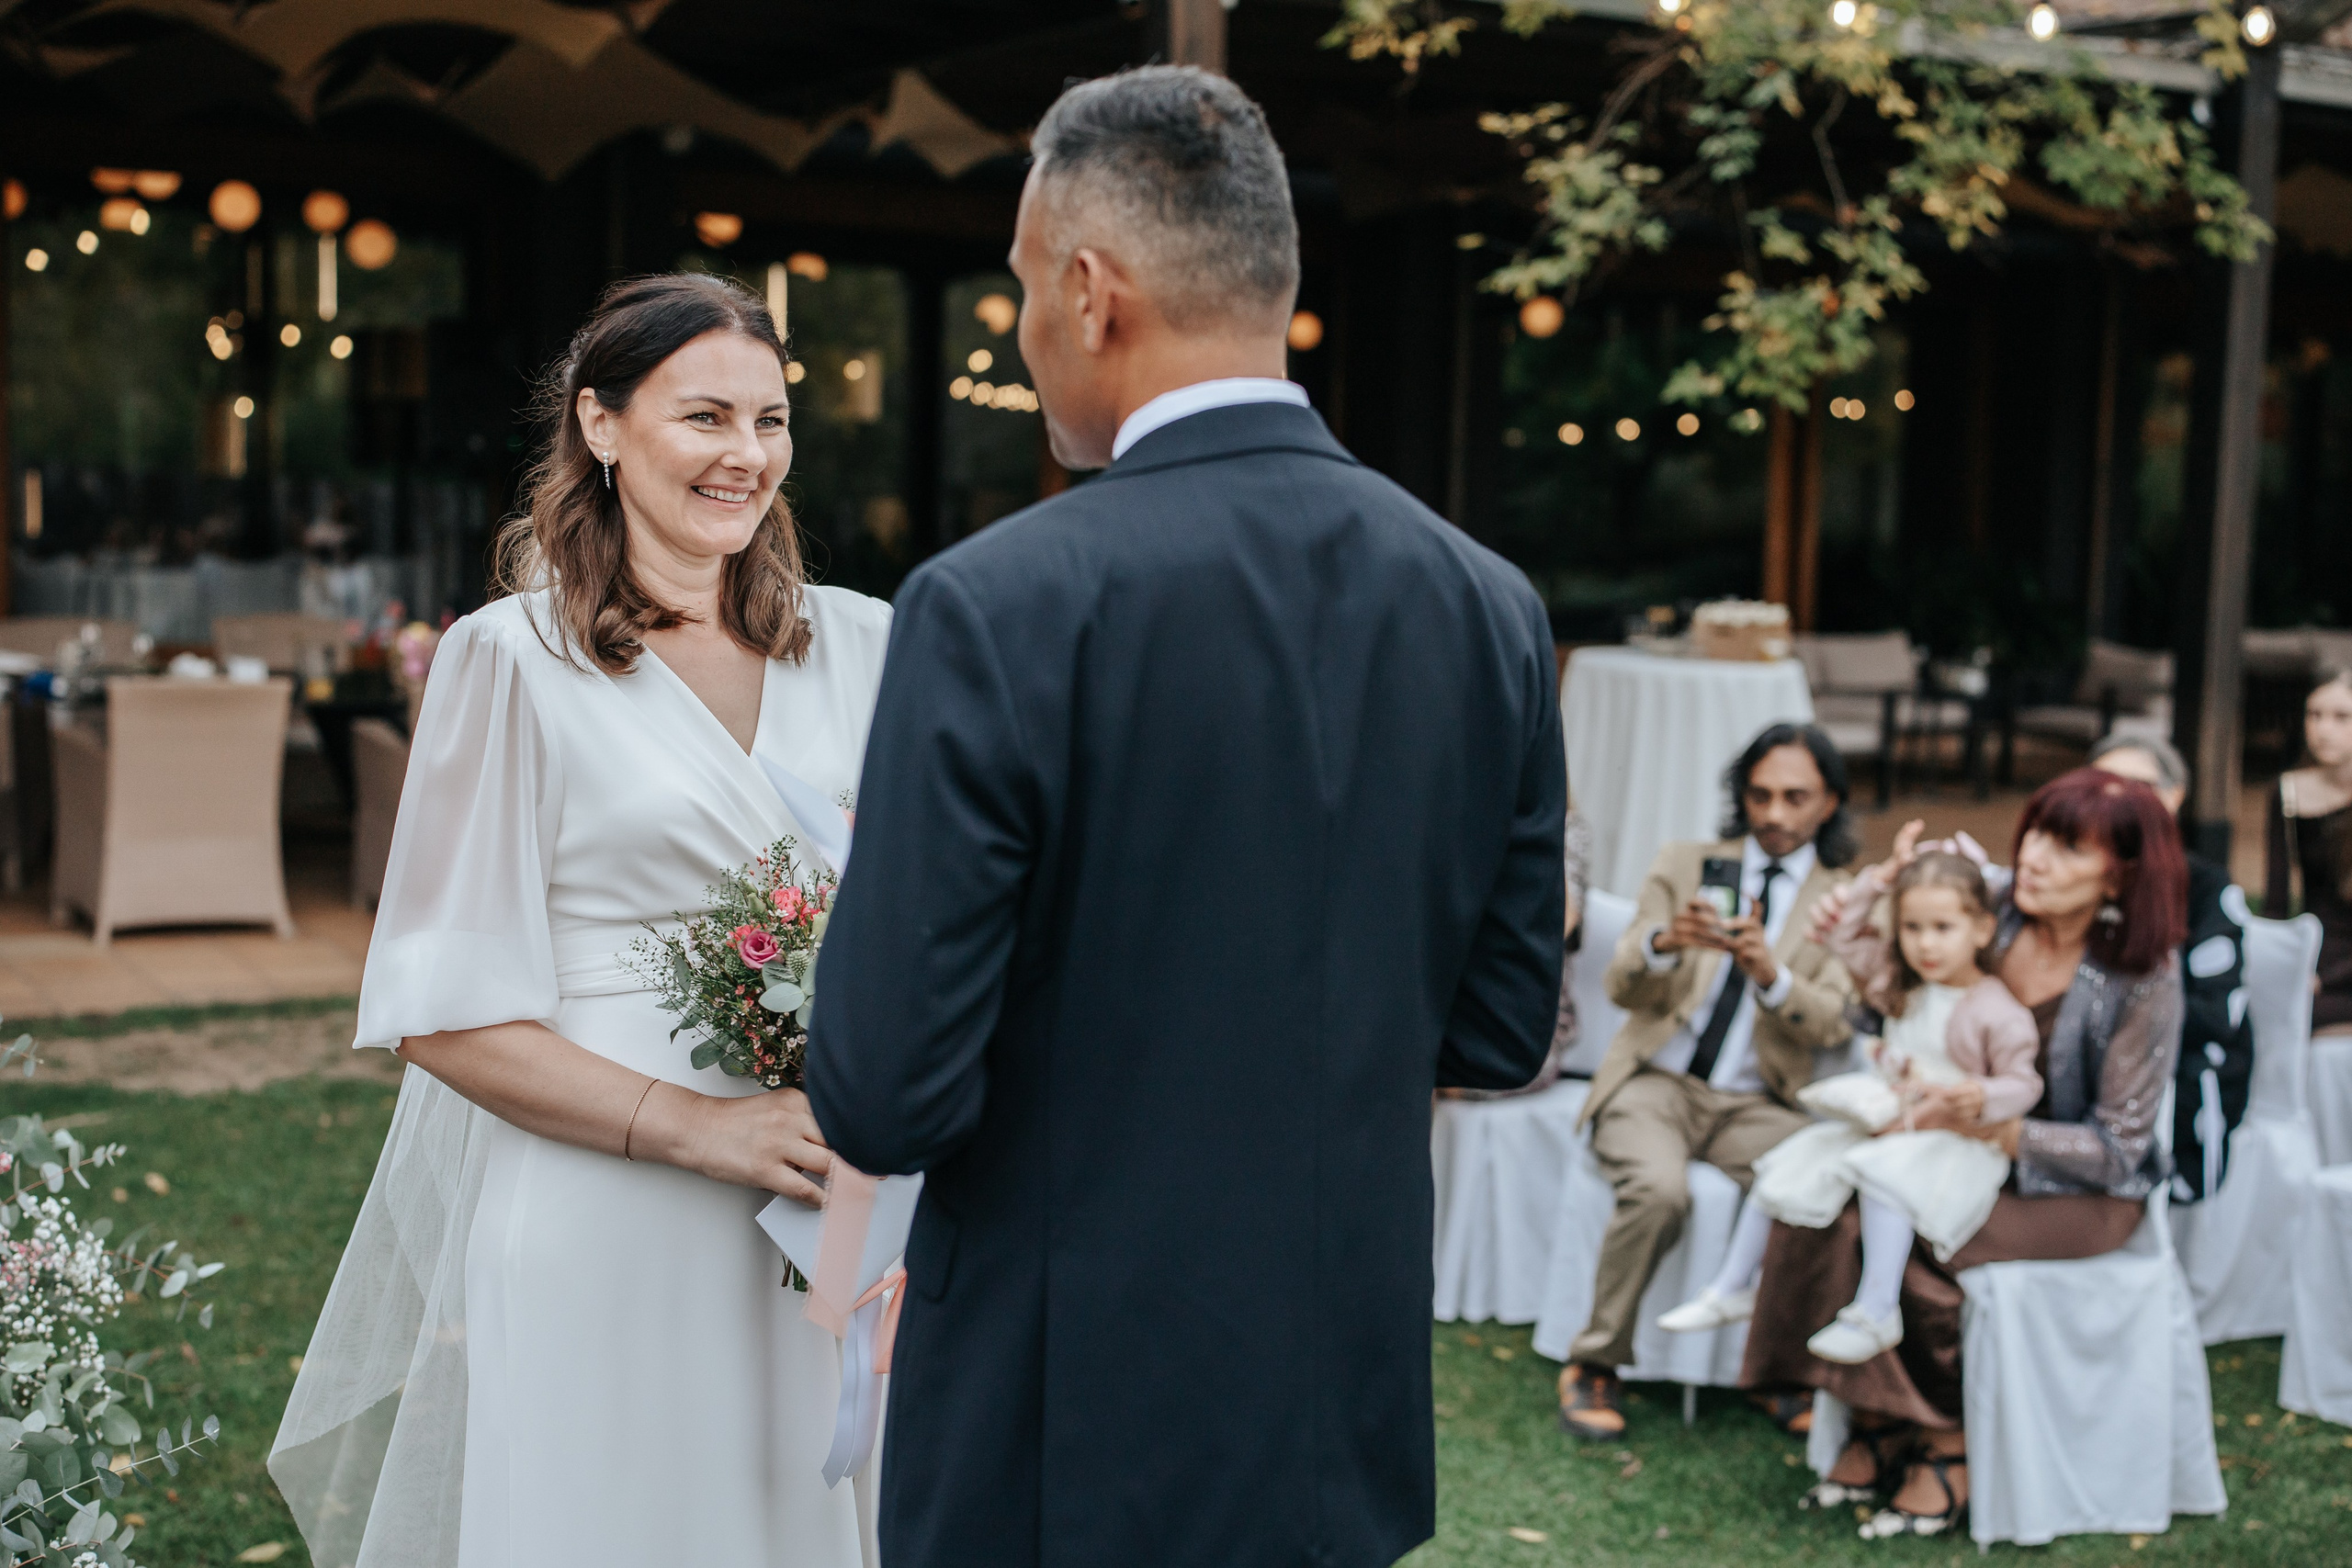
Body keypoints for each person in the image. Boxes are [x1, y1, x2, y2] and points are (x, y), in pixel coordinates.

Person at [802, 66, 1566, 1568]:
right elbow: (1497, 1029)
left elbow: (885, 1093)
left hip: (1059, 1426)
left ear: (1091, 292)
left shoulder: (996, 602)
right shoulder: (1488, 603)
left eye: (1020, 294)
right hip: (1332, 1426)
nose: (1019, 342)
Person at [270, 274, 892, 1567]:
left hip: (826, 1198)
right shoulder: (510, 659)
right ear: (602, 426)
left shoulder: (870, 646)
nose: (747, 454)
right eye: (706, 415)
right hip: (605, 1209)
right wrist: (703, 1129)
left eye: (772, 420)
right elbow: (438, 1011)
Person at [1746, 768, 2187, 1541]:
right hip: (1953, 1150)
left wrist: (1995, 1127)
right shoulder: (1998, 911)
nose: (2038, 858)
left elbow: (2120, 1148)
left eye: (2069, 848)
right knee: (1835, 1203)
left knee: (1918, 1230)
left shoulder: (2142, 977)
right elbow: (1882, 997)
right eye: (2039, 833)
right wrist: (1854, 919)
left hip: (2078, 1194)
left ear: (2122, 870)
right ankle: (1881, 1417)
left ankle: (1946, 1442)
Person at [1556, 723, 1859, 1441]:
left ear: (1830, 803)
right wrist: (1665, 944)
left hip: (1759, 1103)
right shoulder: (1688, 863)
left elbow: (1835, 1022)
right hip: (1655, 1083)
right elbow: (1622, 979)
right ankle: (1595, 1361)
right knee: (1660, 1191)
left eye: (1795, 796)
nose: (1775, 814)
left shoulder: (1845, 900)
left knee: (1822, 1194)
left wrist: (1770, 974)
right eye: (1760, 794)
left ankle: (1781, 1371)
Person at [1662, 849, 2040, 1363]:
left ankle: (1877, 1308)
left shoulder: (1994, 1010)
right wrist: (1878, 880)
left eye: (1942, 927)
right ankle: (1732, 1284)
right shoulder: (1902, 987)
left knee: (1883, 1173)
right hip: (1896, 1122)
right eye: (1911, 927)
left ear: (1981, 929)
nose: (1924, 943)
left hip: (1952, 1143)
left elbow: (2025, 1083)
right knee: (1791, 1157)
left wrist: (1984, 1096)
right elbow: (1843, 935)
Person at [2089, 733, 2254, 1201]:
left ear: (2174, 795)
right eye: (2102, 785)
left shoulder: (2203, 886)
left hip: (2174, 1068)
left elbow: (2215, 1015)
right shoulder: (2070, 881)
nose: (2121, 800)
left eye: (2139, 786)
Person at [1450, 807, 1597, 1101]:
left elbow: (1561, 923)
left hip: (1527, 1026)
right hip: (1465, 1007)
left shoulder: (1564, 829)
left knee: (1424, 1069)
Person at [2267, 667, 2352, 1035]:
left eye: (2341, 717)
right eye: (2313, 714)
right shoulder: (2288, 792)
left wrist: (2329, 980)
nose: (2323, 729)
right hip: (2315, 952)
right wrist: (2282, 967)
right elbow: (2276, 903)